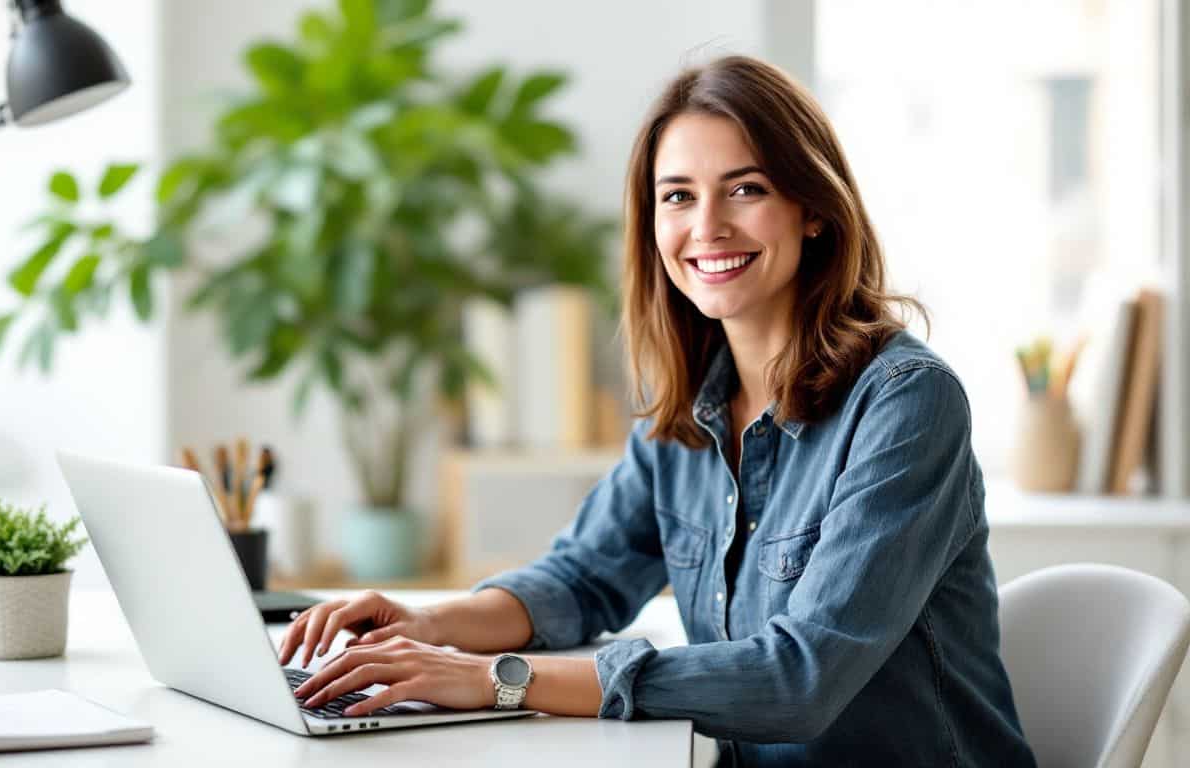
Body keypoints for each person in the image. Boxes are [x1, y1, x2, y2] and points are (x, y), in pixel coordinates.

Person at [281, 55, 1037, 767]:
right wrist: (428, 629)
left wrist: (496, 678)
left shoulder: (905, 403)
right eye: (678, 195)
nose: (706, 226)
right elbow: (582, 578)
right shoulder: (690, 408)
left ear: (813, 210)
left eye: (746, 189)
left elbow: (798, 681)